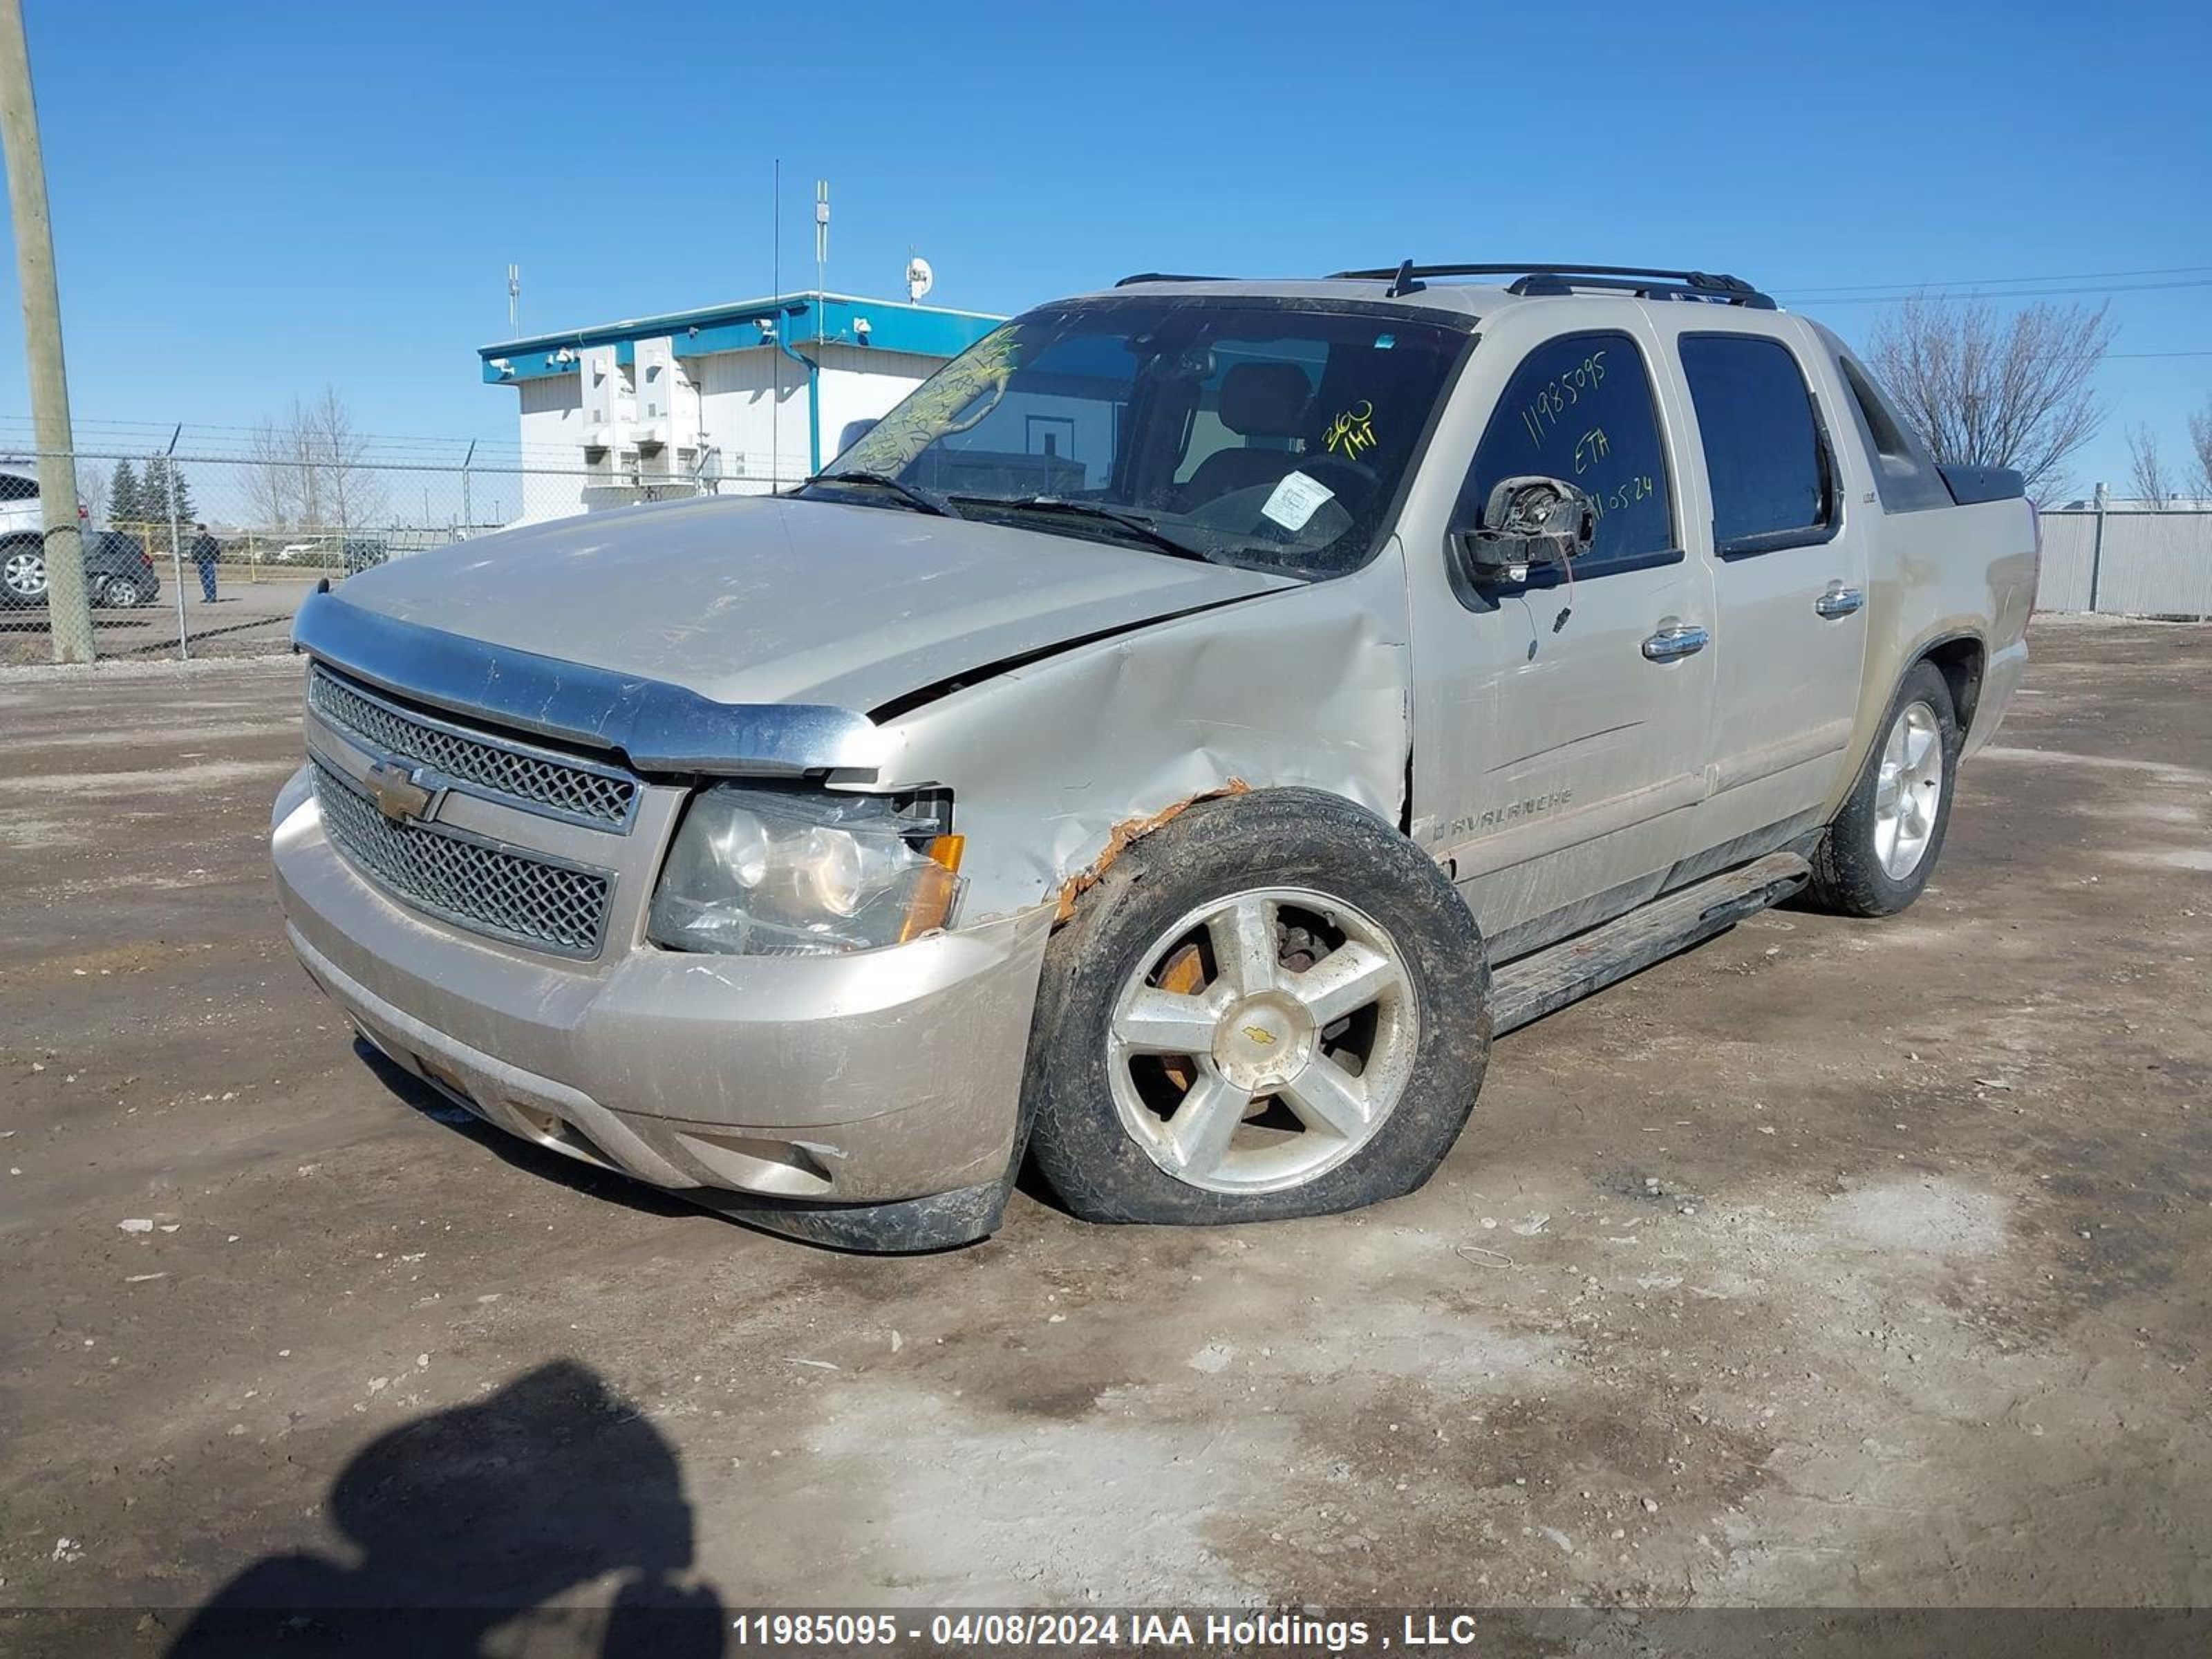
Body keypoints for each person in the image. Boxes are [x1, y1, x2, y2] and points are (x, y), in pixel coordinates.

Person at [188, 523, 220, 601]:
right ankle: (207, 596)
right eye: (198, 530)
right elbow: (194, 550)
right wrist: (194, 559)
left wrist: (216, 559)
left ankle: (212, 597)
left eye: (200, 530)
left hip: (209, 561)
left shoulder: (210, 540)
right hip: (200, 561)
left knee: (210, 578)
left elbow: (216, 550)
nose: (199, 532)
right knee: (203, 579)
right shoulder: (197, 541)